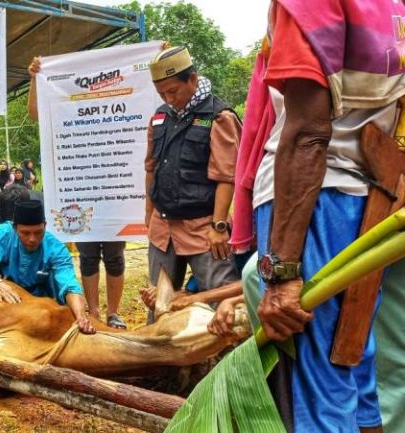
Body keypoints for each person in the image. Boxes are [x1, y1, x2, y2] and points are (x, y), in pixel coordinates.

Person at [244, 2, 405, 432]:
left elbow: (308, 134)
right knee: (352, 365)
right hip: (370, 201)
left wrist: (282, 272)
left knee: (317, 393)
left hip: (312, 201)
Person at [27, 59, 127, 329]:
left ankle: (114, 313)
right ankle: (93, 311)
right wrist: (35, 79)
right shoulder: (66, 113)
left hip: (115, 196)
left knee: (115, 257)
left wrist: (154, 59)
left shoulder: (117, 112)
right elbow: (36, 112)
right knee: (88, 257)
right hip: (79, 196)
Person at [142, 47, 241, 311]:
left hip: (204, 229)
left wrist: (219, 226)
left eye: (173, 91)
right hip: (162, 229)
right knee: (159, 304)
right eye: (161, 93)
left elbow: (227, 176)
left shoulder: (219, 117)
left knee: (221, 304)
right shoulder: (159, 117)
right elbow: (151, 168)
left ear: (193, 79)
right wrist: (149, 214)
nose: (168, 98)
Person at [0, 201, 95, 334]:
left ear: (45, 226)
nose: (32, 239)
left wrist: (80, 316)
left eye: (38, 232)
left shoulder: (56, 248)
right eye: (25, 233)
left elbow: (69, 285)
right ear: (15, 228)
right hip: (6, 297)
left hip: (40, 308)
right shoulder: (4, 233)